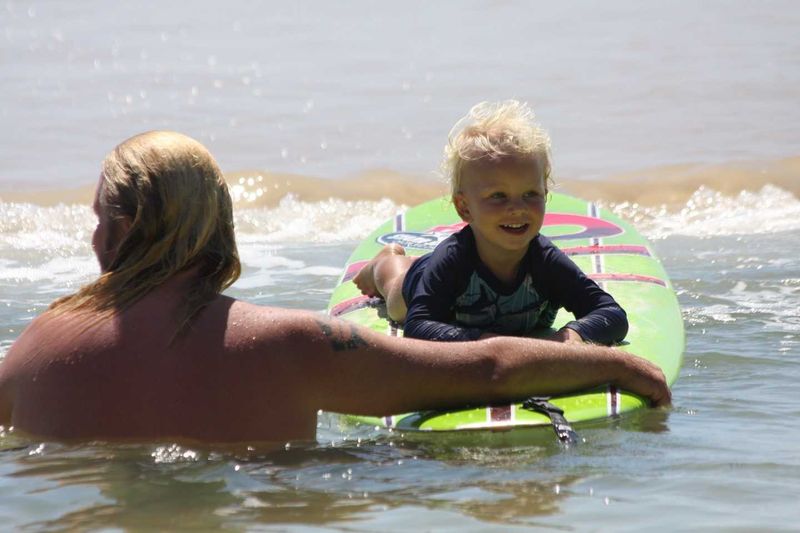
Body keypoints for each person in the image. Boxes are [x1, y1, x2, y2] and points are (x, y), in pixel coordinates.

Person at [0, 131, 669, 444]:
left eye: (99, 218)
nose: (92, 238)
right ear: (217, 224)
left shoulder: (29, 350)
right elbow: (485, 369)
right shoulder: (285, 344)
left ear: (117, 231)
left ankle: (392, 270)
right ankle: (390, 269)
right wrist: (620, 364)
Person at [355, 101, 626, 344]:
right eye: (498, 196)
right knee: (394, 293)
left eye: (530, 194)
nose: (517, 208)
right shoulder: (454, 260)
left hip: (447, 284)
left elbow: (611, 314)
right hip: (416, 285)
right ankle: (385, 261)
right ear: (464, 207)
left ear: (545, 194)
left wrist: (571, 337)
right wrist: (493, 344)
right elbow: (418, 327)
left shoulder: (545, 261)